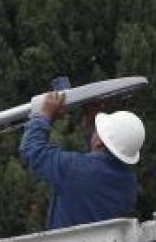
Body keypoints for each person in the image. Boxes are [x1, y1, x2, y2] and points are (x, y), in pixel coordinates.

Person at [19, 91, 146, 230]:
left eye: (97, 132)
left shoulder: (74, 170)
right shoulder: (128, 182)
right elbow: (96, 165)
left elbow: (31, 150)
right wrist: (91, 121)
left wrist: (44, 116)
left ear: (99, 143)